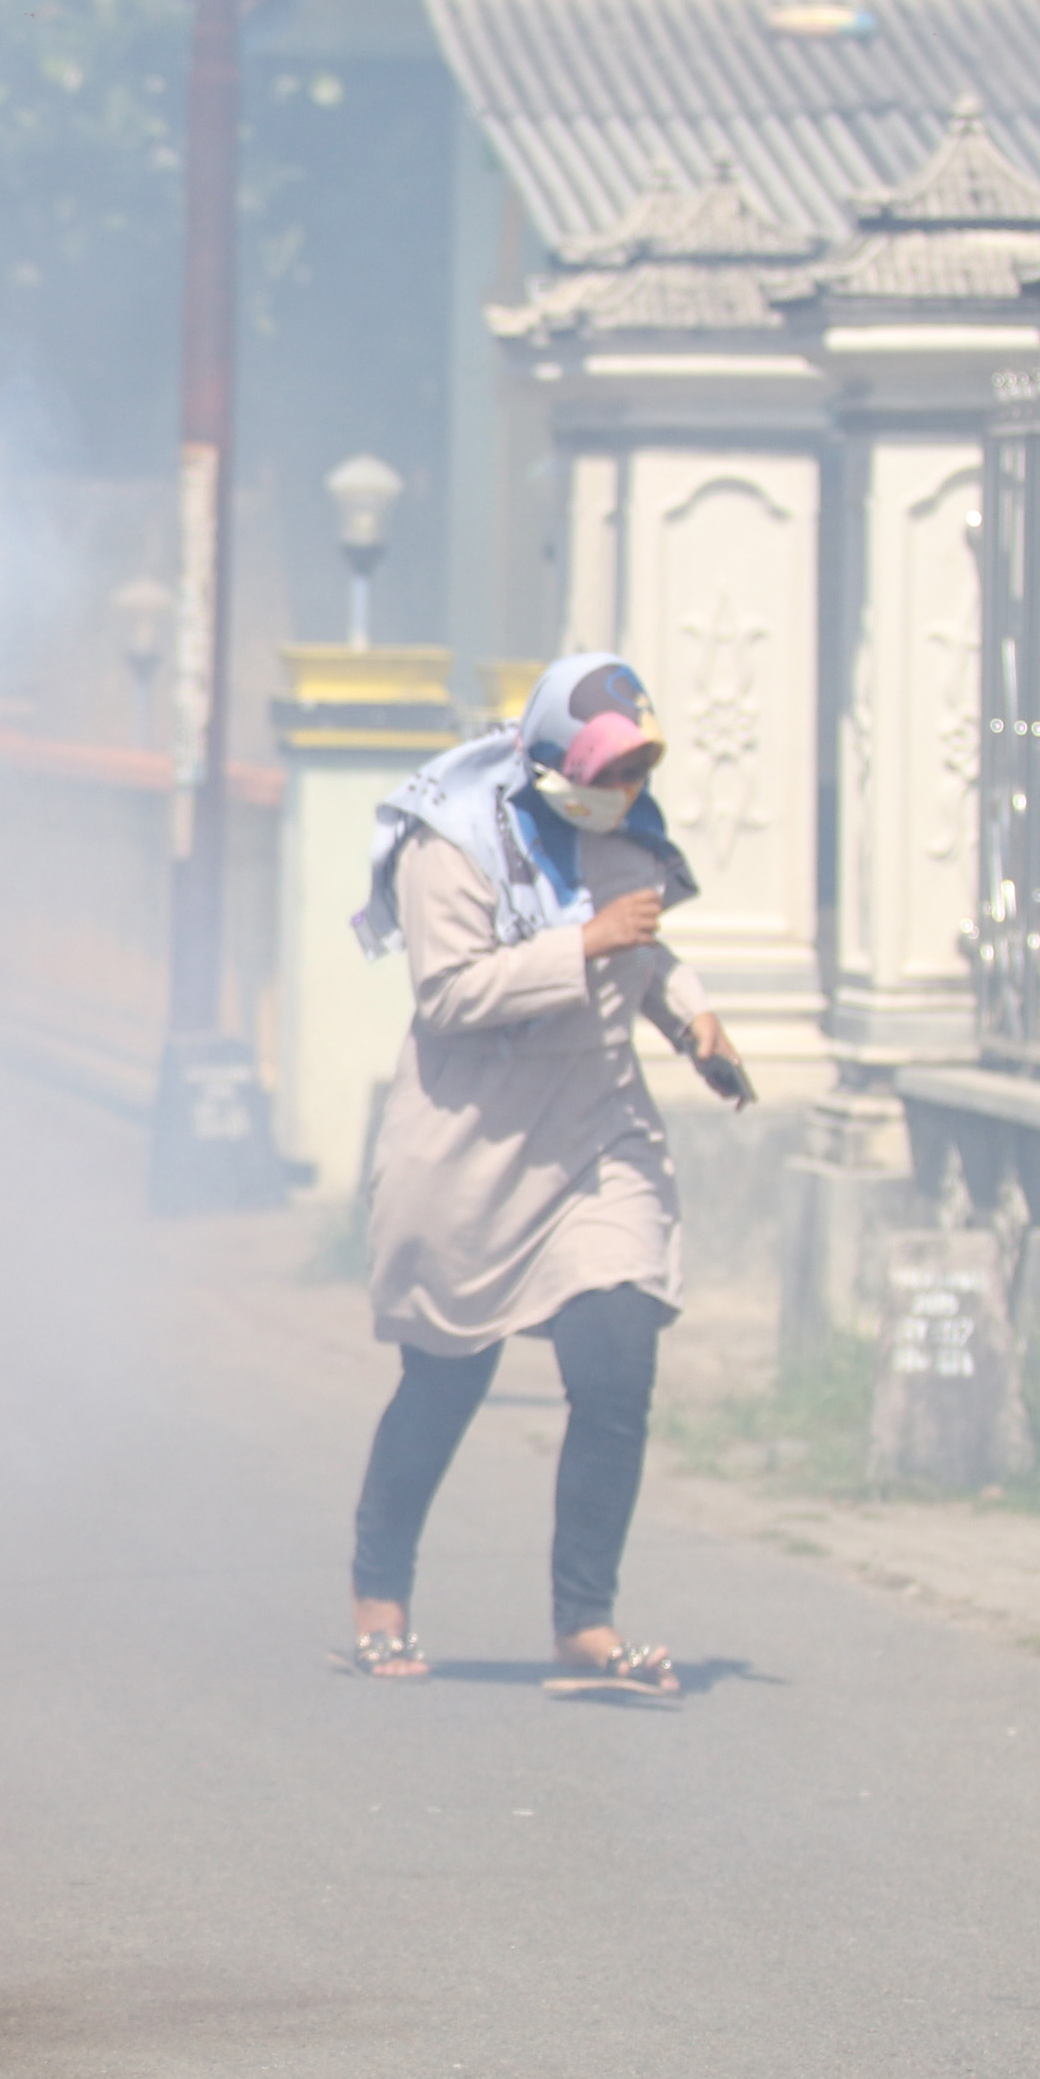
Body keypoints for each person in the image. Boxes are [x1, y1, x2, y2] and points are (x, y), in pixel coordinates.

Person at [343, 650, 750, 1698]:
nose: (628, 792)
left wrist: (691, 1021)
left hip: (593, 1136)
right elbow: (447, 995)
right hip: (473, 1145)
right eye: (610, 772)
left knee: (616, 1367)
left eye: (640, 772)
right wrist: (583, 946)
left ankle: (584, 1623)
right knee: (445, 1377)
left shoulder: (628, 844)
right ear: (553, 762)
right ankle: (378, 1593)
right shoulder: (457, 846)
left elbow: (646, 949)